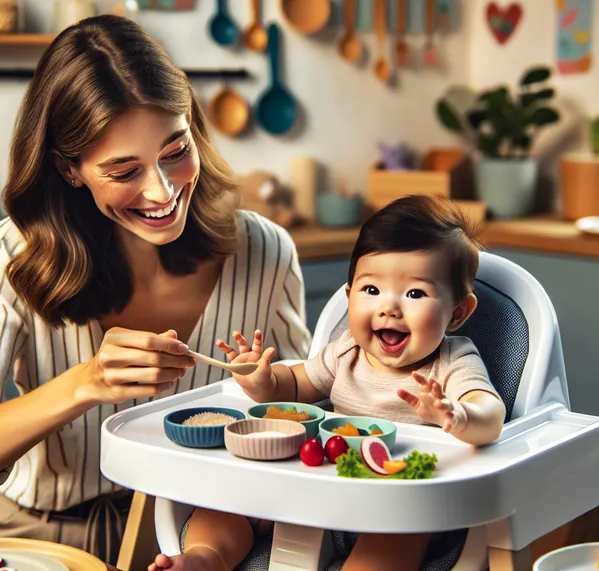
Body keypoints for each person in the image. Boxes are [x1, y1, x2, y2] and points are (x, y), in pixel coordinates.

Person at [0, 14, 311, 566]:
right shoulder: (14, 254)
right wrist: (84, 382)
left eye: (176, 151)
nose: (163, 189)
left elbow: (307, 417)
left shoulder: (264, 250)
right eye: (124, 170)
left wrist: (274, 393)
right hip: (31, 535)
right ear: (70, 167)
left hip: (194, 538)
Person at [151, 194, 507, 571]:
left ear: (458, 312)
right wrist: (263, 381)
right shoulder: (345, 351)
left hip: (398, 507)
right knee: (225, 503)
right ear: (349, 296)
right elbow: (294, 386)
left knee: (392, 541)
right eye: (372, 290)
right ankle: (204, 559)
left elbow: (491, 414)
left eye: (415, 293)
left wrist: (457, 416)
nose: (389, 307)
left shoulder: (451, 363)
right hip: (312, 494)